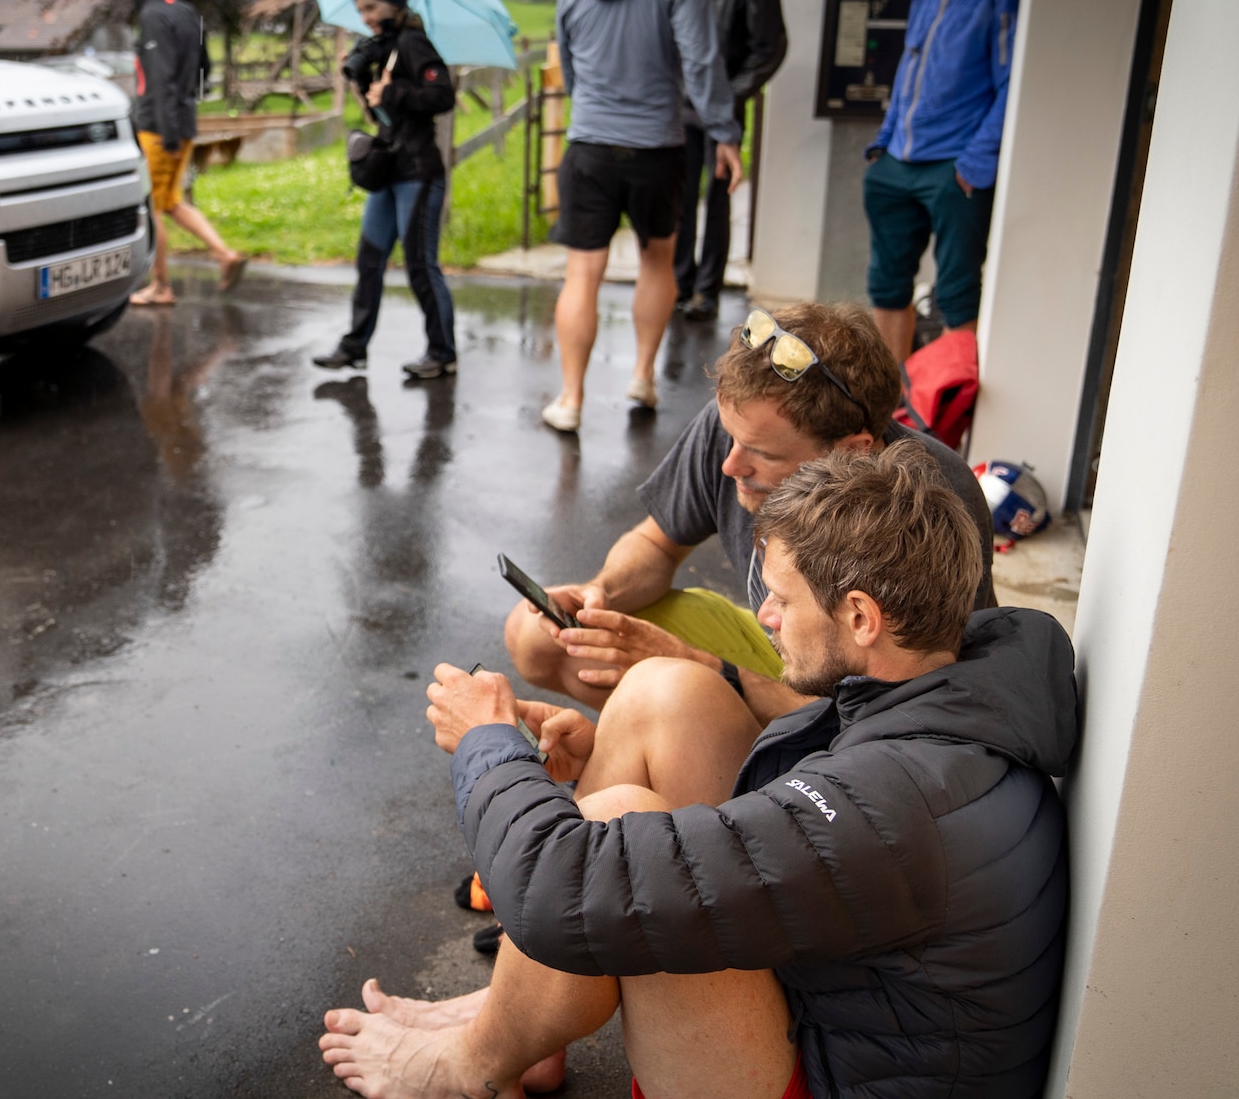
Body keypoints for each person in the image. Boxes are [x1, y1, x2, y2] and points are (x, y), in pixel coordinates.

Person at [319, 442, 1076, 1099]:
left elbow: (563, 885)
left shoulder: (893, 806)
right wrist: (586, 740)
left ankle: (474, 1064)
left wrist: (490, 740)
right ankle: (525, 1025)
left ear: (860, 617)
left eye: (781, 599)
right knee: (662, 696)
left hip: (832, 1073)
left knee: (608, 829)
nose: (767, 618)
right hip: (842, 1006)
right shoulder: (949, 680)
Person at [506, 301, 994, 720]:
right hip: (777, 654)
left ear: (854, 450)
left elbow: (895, 729)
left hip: (860, 713)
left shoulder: (920, 511)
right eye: (731, 436)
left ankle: (711, 773)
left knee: (671, 706)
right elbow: (658, 542)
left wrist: (705, 672)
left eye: (766, 454)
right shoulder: (746, 424)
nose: (730, 463)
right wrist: (601, 591)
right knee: (538, 635)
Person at [541, 0, 739, 434]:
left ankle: (571, 400)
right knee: (657, 262)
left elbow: (574, 74)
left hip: (590, 148)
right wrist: (725, 132)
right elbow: (701, 61)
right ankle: (642, 376)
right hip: (658, 148)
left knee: (582, 273)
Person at [865, 0, 1024, 361]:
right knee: (886, 288)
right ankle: (887, 412)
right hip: (897, 162)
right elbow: (908, 72)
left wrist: (974, 165)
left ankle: (954, 426)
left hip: (954, 168)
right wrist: (883, 145)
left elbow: (1011, 83)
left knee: (956, 296)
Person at [312, 0, 460, 381]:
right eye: (361, 11)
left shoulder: (414, 43)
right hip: (389, 172)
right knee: (369, 261)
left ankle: (443, 352)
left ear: (394, 4)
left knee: (420, 265)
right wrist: (364, 82)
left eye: (372, 8)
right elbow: (382, 116)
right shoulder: (385, 49)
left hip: (419, 173)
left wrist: (392, 93)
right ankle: (354, 347)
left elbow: (443, 96)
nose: (367, 17)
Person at [675, 0, 787, 322]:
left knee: (717, 199)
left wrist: (730, 94)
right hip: (684, 110)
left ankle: (707, 290)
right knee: (681, 201)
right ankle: (680, 283)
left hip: (723, 110)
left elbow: (769, 48)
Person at [123, 0, 246, 308]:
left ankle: (161, 286)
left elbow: (160, 79)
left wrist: (168, 131)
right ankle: (225, 254)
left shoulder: (152, 16)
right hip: (185, 121)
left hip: (160, 129)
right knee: (172, 201)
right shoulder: (187, 12)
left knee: (153, 209)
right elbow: (204, 67)